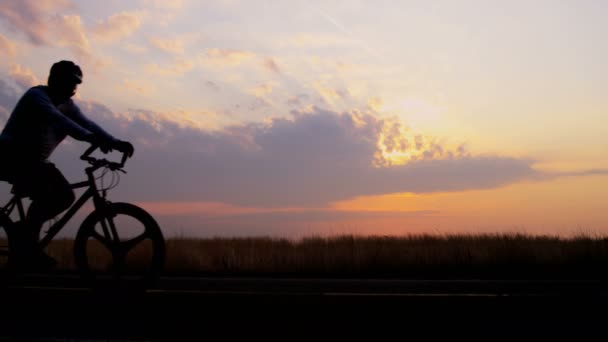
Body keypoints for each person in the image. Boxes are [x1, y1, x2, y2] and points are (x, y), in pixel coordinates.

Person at [0, 60, 134, 271]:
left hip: (36, 162)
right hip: (12, 158)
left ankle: (24, 239)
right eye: (71, 83)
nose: (74, 89)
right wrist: (92, 139)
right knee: (57, 194)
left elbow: (87, 123)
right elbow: (61, 121)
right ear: (55, 81)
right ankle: (27, 242)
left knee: (64, 196)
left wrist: (115, 142)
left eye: (77, 84)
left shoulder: (67, 104)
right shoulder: (37, 97)